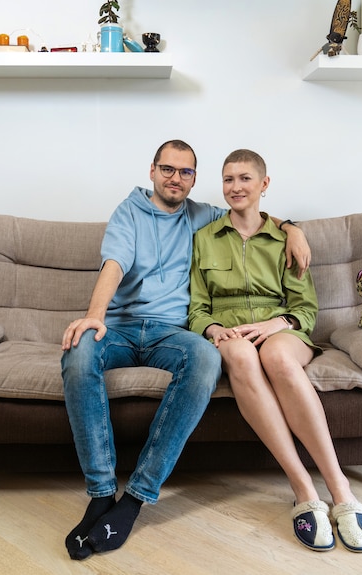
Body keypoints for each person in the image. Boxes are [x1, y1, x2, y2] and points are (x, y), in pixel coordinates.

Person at [60, 140, 311, 560]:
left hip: (170, 332)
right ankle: (102, 493)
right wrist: (94, 316)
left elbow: (254, 215)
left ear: (194, 179)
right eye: (168, 169)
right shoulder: (129, 212)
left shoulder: (202, 215)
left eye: (186, 172)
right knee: (79, 351)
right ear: (153, 171)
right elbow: (114, 263)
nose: (176, 178)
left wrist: (293, 227)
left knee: (207, 358)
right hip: (119, 327)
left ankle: (135, 498)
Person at [188, 149, 362, 553]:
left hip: (283, 331)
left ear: (264, 185)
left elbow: (305, 309)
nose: (235, 187)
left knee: (274, 356)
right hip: (233, 334)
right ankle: (303, 488)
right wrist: (213, 327)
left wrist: (279, 324)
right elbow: (197, 307)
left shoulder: (284, 239)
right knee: (239, 355)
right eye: (227, 179)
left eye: (244, 178)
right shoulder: (204, 238)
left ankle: (340, 489)